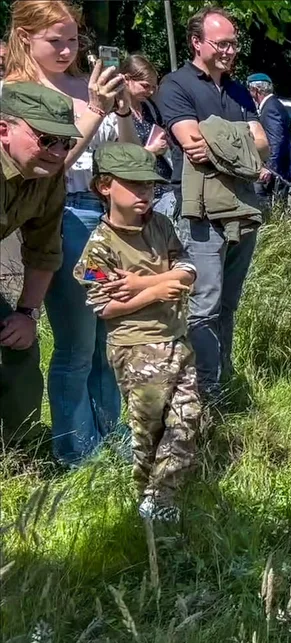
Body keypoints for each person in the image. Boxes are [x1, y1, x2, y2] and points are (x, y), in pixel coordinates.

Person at [7, 0, 139, 465]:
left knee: (107, 338)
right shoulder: (18, 92)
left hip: (107, 218)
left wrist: (121, 112)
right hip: (63, 217)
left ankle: (111, 438)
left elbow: (129, 157)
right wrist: (94, 113)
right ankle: (76, 454)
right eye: (55, 41)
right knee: (77, 344)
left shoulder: (88, 86)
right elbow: (52, 167)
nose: (67, 50)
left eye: (73, 40)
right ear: (25, 38)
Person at [73, 143, 199, 522]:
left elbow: (187, 270)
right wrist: (158, 291)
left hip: (177, 338)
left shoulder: (160, 225)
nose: (145, 194)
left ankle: (162, 497)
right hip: (137, 347)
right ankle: (145, 503)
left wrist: (149, 283)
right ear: (105, 186)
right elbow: (104, 306)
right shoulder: (99, 248)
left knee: (187, 418)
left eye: (151, 187)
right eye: (136, 185)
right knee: (148, 431)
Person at [154, 6, 269, 402]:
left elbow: (265, 145)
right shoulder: (175, 85)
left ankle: (221, 386)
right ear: (196, 42)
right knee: (203, 306)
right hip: (199, 214)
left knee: (227, 306)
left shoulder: (238, 90)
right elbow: (191, 144)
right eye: (222, 44)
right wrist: (240, 140)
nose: (230, 51)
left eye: (234, 44)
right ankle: (203, 393)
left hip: (243, 210)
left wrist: (220, 137)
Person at [0, 83, 80, 445]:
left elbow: (44, 249)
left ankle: (19, 452)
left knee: (18, 343)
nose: (58, 152)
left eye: (66, 143)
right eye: (47, 139)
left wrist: (27, 314)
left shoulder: (48, 175)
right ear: (4, 130)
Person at [120, 54, 171, 196]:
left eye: (154, 87)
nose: (150, 92)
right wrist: (149, 151)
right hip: (138, 186)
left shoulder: (149, 106)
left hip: (164, 180)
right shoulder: (115, 113)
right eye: (145, 86)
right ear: (126, 79)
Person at [245, 72, 291, 201]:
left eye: (249, 90)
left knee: (267, 204)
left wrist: (269, 169)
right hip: (278, 169)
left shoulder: (271, 109)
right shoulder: (273, 105)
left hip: (276, 172)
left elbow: (275, 141)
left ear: (255, 90)